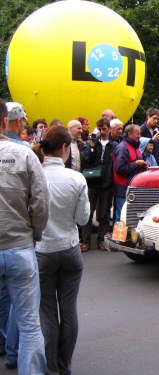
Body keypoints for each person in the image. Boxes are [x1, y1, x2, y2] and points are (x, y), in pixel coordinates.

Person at [31, 125, 89, 375]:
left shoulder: (34, 176)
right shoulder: (76, 178)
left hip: (42, 250)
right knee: (68, 310)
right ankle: (65, 367)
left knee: (46, 312)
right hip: (69, 248)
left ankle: (51, 368)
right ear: (65, 148)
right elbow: (84, 219)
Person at [0, 98, 49, 374]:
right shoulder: (25, 154)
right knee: (29, 323)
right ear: (6, 121)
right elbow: (41, 203)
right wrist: (34, 234)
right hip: (19, 245)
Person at [80, 118, 117, 251]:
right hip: (91, 182)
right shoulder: (91, 143)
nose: (102, 131)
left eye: (104, 128)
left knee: (104, 213)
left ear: (109, 128)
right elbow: (85, 159)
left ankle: (101, 239)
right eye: (99, 129)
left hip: (106, 182)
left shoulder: (113, 145)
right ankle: (86, 240)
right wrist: (93, 145)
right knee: (88, 212)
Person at [112, 124, 147, 223]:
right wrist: (136, 164)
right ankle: (119, 238)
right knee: (121, 216)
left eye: (140, 133)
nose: (139, 136)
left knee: (129, 215)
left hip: (132, 187)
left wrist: (143, 166)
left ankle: (127, 237)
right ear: (129, 134)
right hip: (123, 187)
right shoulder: (123, 148)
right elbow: (119, 168)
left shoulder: (135, 147)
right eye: (137, 134)